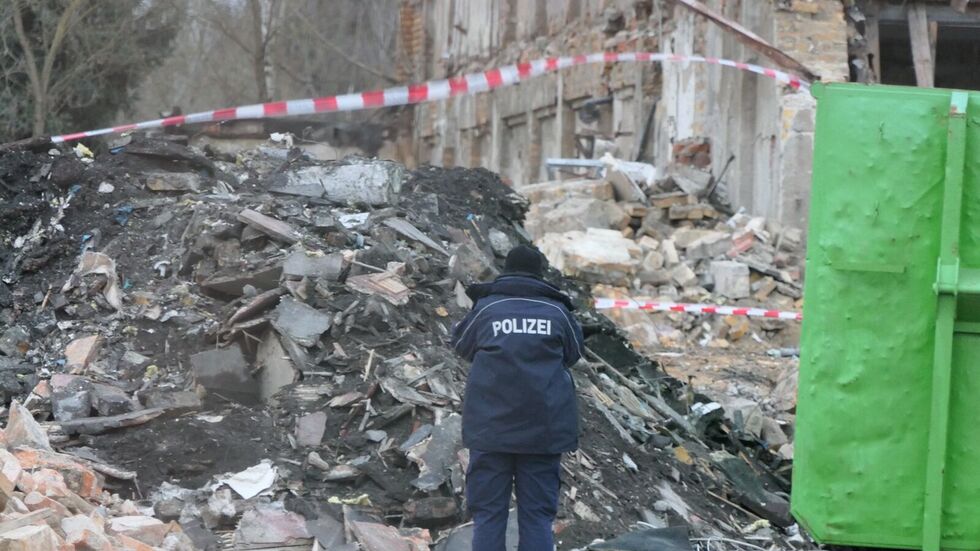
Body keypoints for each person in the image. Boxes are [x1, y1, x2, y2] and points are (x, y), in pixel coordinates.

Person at [451, 245, 584, 551]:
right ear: (539, 274)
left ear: (507, 271)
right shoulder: (557, 313)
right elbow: (574, 354)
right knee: (537, 516)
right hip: (543, 432)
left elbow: (461, 346)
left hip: (490, 430)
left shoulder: (486, 309)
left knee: (488, 514)